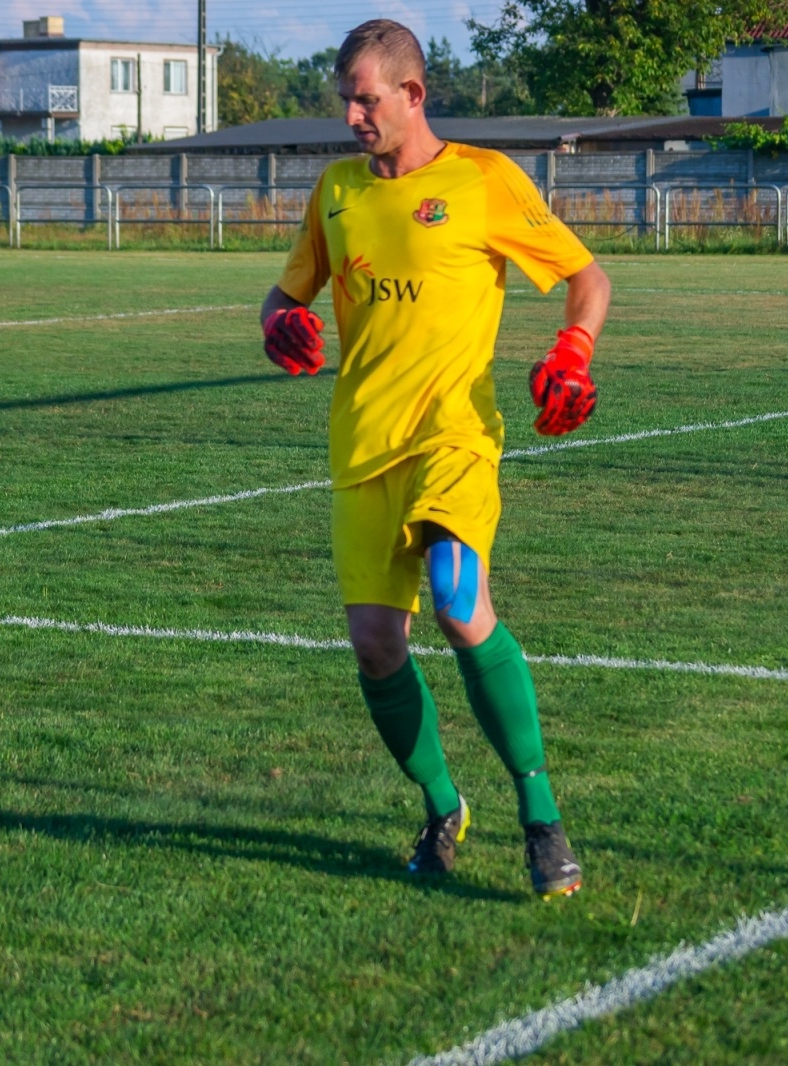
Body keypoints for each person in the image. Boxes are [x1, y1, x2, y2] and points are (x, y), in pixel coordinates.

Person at [259, 20, 610, 898]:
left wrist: (573, 350)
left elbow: (587, 275)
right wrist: (278, 321)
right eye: (345, 97)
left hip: (454, 435)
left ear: (414, 95)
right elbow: (285, 290)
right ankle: (444, 807)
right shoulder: (336, 191)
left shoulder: (483, 180)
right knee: (377, 647)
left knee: (458, 600)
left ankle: (542, 819)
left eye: (366, 98)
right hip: (361, 449)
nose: (350, 115)